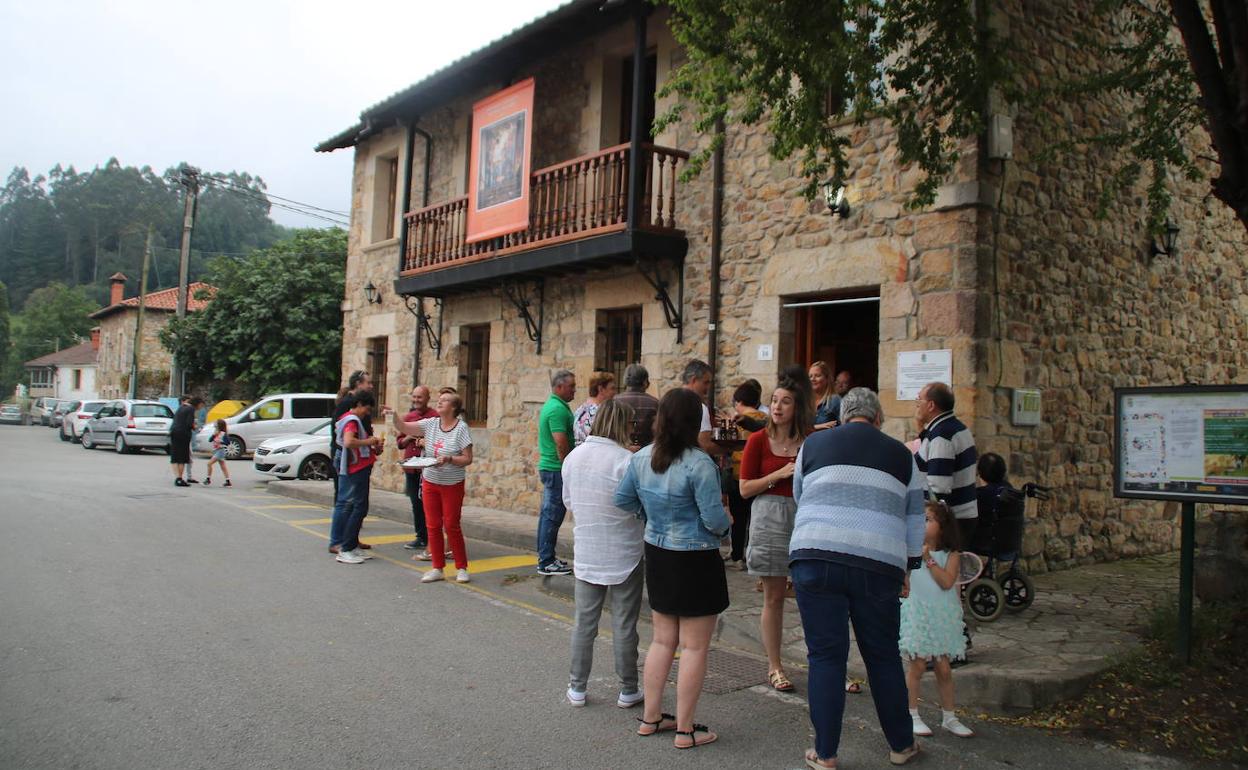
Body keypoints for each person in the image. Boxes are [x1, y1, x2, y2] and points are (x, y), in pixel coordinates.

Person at [789, 387, 925, 768]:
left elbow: (802, 496)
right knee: (882, 656)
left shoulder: (814, 446)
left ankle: (826, 753)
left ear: (845, 416)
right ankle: (901, 745)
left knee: (826, 657)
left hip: (815, 556)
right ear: (877, 419)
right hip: (878, 564)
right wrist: (910, 566)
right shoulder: (902, 455)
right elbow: (915, 516)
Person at [614, 388, 731, 749]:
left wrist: (649, 516)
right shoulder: (700, 463)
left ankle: (651, 718)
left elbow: (623, 499)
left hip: (659, 552)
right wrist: (727, 524)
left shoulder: (641, 458)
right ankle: (684, 729)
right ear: (694, 422)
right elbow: (713, 520)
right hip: (695, 557)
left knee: (662, 640)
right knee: (695, 648)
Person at [561, 400, 645, 709]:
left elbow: (569, 501)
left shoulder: (573, 458)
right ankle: (628, 688)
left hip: (588, 549)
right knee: (624, 624)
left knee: (585, 623)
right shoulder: (627, 461)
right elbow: (638, 505)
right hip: (625, 551)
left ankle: (577, 687)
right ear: (623, 425)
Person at [739, 378, 813, 693]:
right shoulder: (757, 440)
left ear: (796, 408)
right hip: (769, 516)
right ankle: (775, 666)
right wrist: (778, 475)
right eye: (774, 400)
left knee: (812, 595)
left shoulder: (810, 441)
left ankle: (823, 663)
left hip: (805, 516)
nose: (778, 407)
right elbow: (744, 489)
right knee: (773, 596)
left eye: (785, 401)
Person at [900, 500, 975, 739]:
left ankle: (950, 717)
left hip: (941, 614)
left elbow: (946, 582)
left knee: (943, 667)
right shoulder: (910, 549)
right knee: (918, 664)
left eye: (928, 519)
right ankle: (911, 714)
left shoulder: (951, 554)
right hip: (917, 612)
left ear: (942, 527)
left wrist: (928, 560)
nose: (923, 524)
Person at [391, 391, 475, 583]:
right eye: (440, 399)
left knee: (452, 525)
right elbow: (404, 427)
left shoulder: (461, 428)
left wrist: (449, 459)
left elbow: (467, 458)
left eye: (445, 400)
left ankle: (461, 568)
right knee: (433, 525)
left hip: (452, 483)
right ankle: (437, 567)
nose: (440, 402)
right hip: (430, 480)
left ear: (453, 407)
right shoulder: (430, 424)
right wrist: (393, 415)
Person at [913, 382, 979, 547]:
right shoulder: (955, 427)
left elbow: (938, 488)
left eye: (919, 399)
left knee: (942, 572)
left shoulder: (942, 436)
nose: (916, 403)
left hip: (951, 522)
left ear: (931, 405)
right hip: (961, 516)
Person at [330, 391, 382, 565]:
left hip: (358, 467)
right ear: (359, 404)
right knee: (357, 507)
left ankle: (351, 546)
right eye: (366, 409)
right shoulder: (352, 420)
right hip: (357, 468)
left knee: (358, 506)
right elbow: (349, 442)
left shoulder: (348, 418)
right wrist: (369, 441)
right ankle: (346, 548)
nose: (367, 413)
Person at [536, 369, 576, 576]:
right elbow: (561, 442)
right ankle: (546, 560)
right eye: (571, 387)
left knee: (548, 514)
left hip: (552, 467)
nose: (574, 391)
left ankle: (546, 557)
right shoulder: (557, 410)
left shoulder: (555, 406)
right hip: (555, 469)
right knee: (552, 515)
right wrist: (568, 466)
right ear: (559, 387)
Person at [725, 380, 767, 568]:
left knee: (738, 519)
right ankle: (753, 554)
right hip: (759, 476)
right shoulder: (765, 418)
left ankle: (737, 556)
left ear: (738, 402)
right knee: (755, 518)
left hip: (738, 475)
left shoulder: (739, 421)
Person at [397, 385, 437, 553]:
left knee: (429, 504)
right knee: (415, 502)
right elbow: (399, 443)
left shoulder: (435, 417)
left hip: (427, 469)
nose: (416, 400)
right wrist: (409, 436)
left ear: (427, 398)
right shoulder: (409, 417)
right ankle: (421, 536)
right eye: (414, 397)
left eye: (420, 397)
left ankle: (432, 538)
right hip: (412, 469)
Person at [682, 359, 729, 458]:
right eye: (706, 382)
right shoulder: (698, 407)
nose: (708, 387)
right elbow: (706, 445)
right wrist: (732, 448)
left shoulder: (668, 402)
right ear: (693, 380)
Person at [613, 364, 659, 448]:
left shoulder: (614, 402)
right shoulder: (655, 403)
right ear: (645, 382)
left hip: (619, 449)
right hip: (647, 452)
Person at [573, 370, 617, 445]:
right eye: (612, 388)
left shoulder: (580, 410)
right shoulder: (601, 412)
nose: (615, 392)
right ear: (601, 389)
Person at [169, 396, 202, 487]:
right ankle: (180, 479)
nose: (200, 408)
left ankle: (177, 477)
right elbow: (189, 423)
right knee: (182, 457)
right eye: (201, 405)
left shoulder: (181, 407)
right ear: (197, 403)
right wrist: (194, 427)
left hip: (174, 432)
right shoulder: (191, 409)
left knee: (175, 456)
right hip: (183, 434)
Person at [203, 419, 232, 487]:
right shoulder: (215, 432)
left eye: (216, 424)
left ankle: (208, 479)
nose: (215, 425)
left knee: (209, 464)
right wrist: (214, 435)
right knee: (223, 466)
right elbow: (210, 440)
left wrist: (220, 442)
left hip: (220, 450)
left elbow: (228, 442)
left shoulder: (223, 434)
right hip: (216, 450)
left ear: (219, 425)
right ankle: (228, 481)